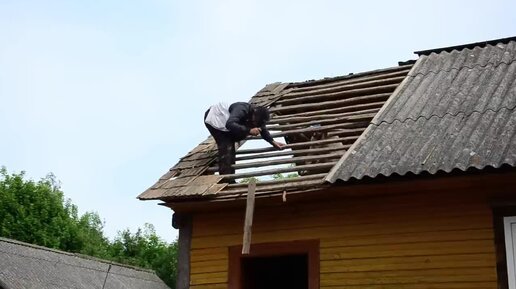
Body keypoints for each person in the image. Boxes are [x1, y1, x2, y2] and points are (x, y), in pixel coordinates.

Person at [204, 102, 285, 176]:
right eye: (254, 122)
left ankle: (230, 177)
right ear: (254, 114)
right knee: (227, 147)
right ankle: (225, 179)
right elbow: (230, 124)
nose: (254, 124)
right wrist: (249, 130)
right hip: (214, 118)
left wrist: (272, 141)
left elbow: (263, 129)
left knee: (233, 143)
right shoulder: (241, 109)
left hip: (226, 125)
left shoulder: (257, 117)